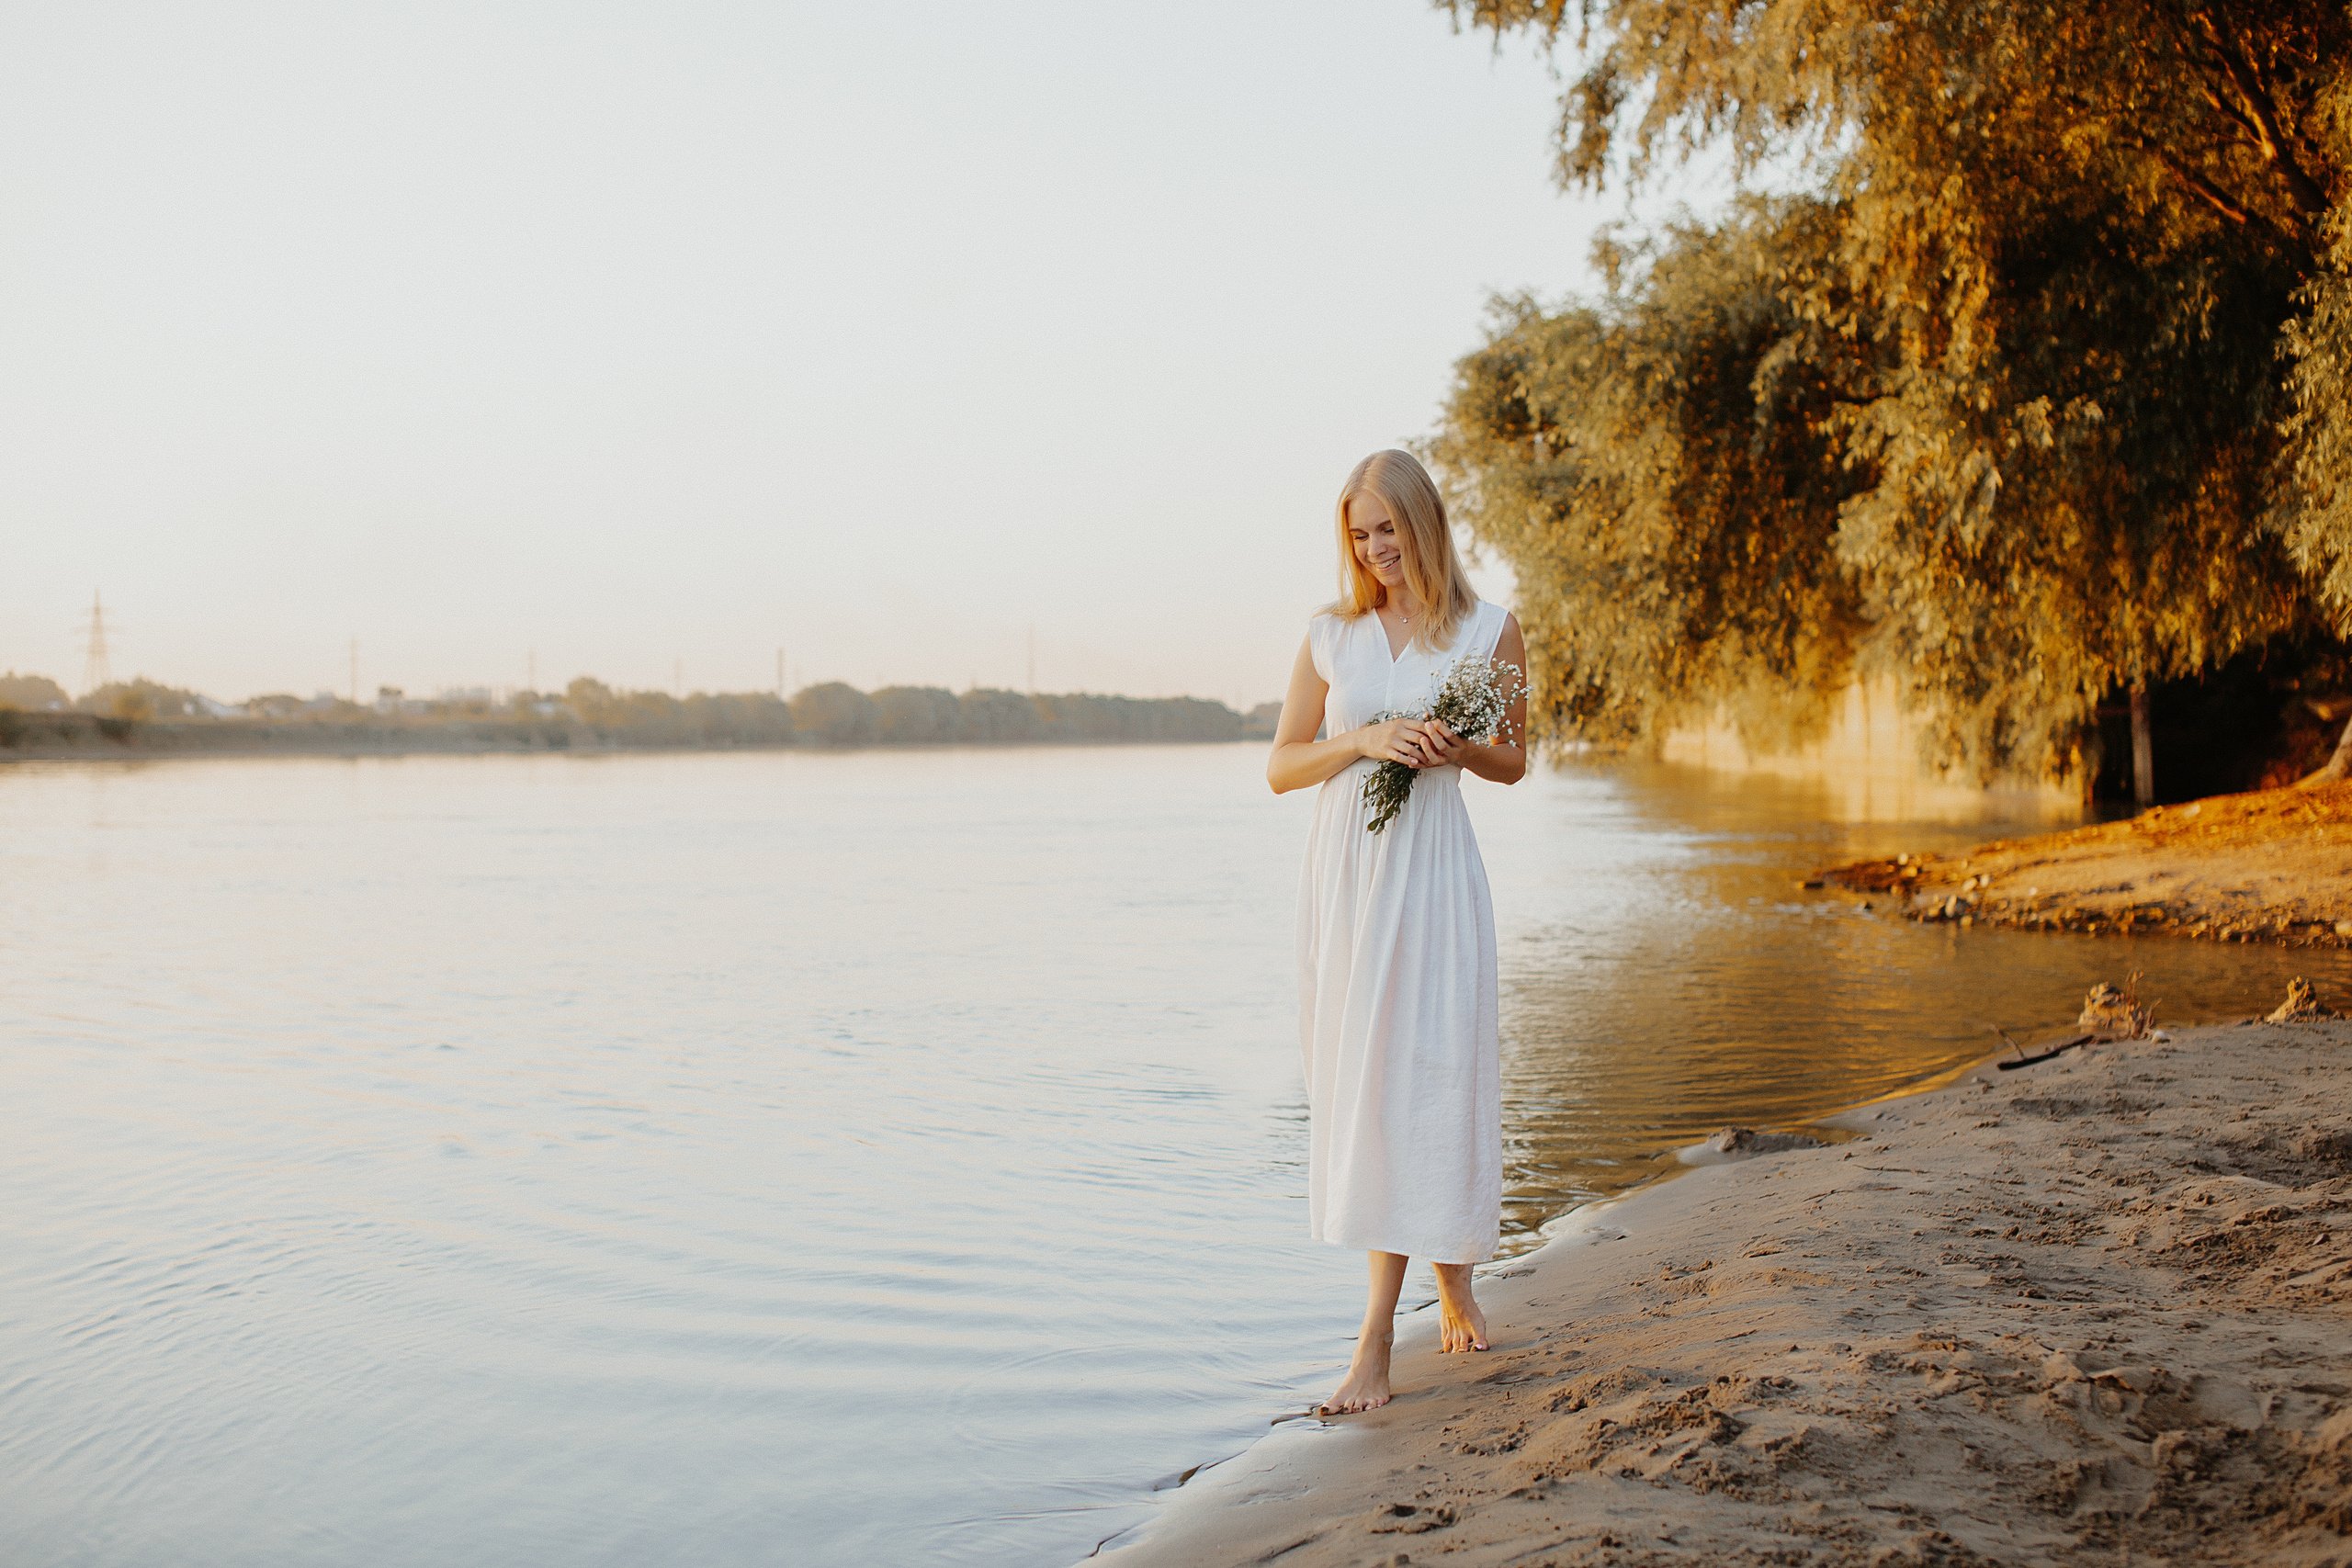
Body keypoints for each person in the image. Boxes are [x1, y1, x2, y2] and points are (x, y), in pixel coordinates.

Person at [1266, 448, 1528, 1415]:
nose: (1374, 548)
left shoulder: (1489, 631)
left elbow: (1514, 762)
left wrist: (1456, 748)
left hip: (1433, 875)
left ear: (1425, 526)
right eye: (1358, 532)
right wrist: (1363, 739)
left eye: (1388, 528)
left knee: (1435, 1075)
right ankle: (1431, 1297)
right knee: (1373, 1084)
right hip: (1348, 880)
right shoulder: (1330, 635)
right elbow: (1282, 766)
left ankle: (1388, 1332)